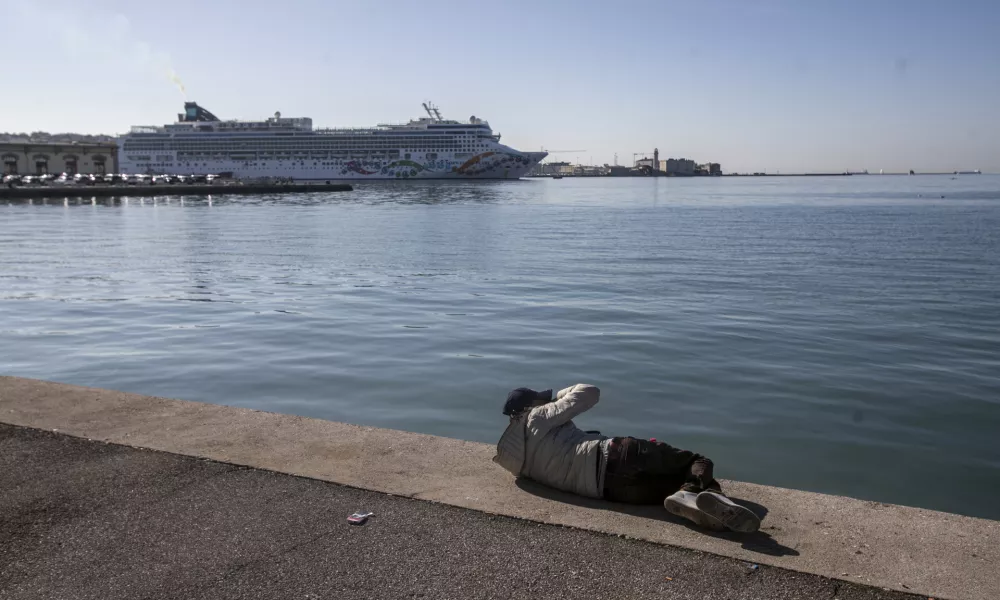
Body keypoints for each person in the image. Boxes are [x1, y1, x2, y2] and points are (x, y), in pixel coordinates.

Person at [493, 384, 760, 533]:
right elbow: (589, 392)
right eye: (541, 400)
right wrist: (561, 395)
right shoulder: (536, 416)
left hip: (611, 491)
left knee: (675, 488)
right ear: (530, 407)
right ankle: (695, 491)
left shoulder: (518, 463)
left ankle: (694, 498)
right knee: (698, 461)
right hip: (618, 456)